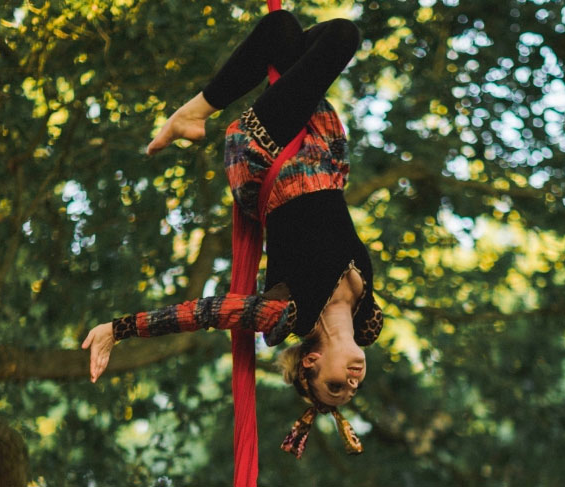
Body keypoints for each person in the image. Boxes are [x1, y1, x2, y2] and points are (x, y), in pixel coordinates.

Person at [81, 10, 383, 457]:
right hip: (322, 152)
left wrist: (118, 328)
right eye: (352, 390)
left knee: (342, 35)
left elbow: (202, 313)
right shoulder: (368, 317)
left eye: (336, 385)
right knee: (281, 32)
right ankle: (190, 114)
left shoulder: (285, 315)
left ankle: (192, 112)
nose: (352, 382)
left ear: (313, 362)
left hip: (267, 160)